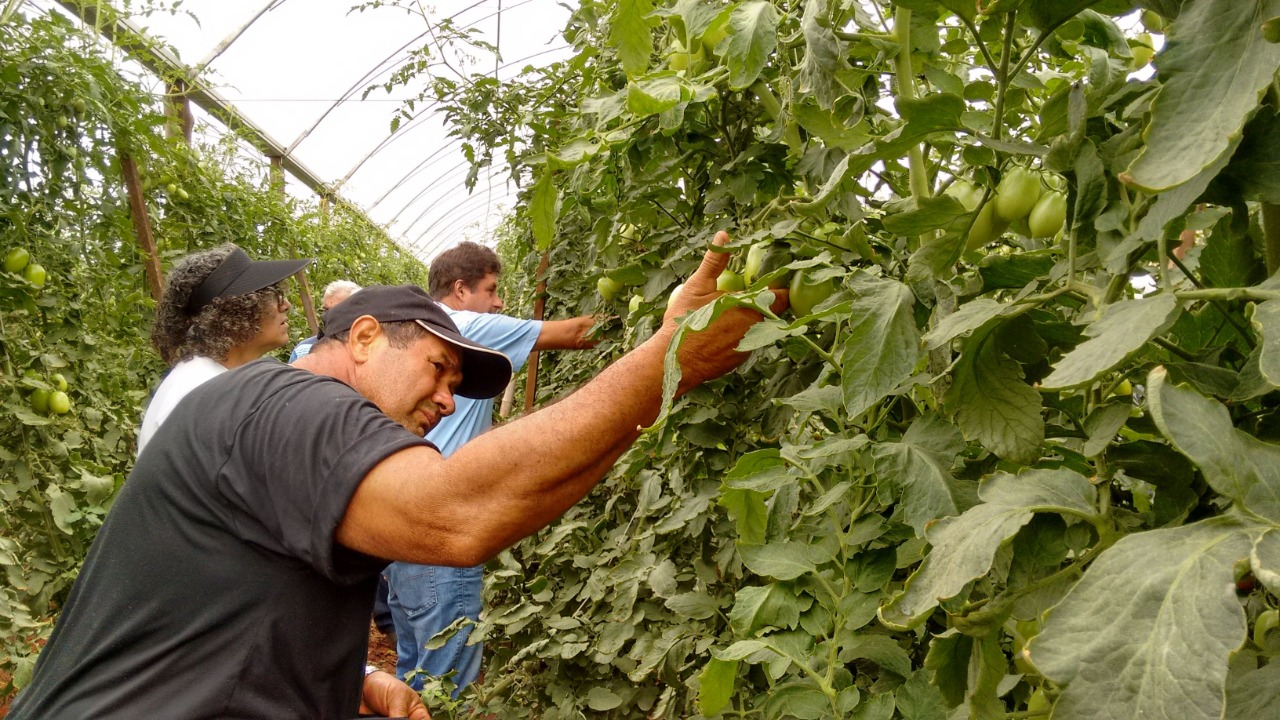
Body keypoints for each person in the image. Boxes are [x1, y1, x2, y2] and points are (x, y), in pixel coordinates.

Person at [8, 232, 785, 720]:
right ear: (364, 338)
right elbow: (459, 514)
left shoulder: (253, 415)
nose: (447, 402)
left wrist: (351, 679)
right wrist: (670, 361)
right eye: (440, 370)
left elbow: (210, 604)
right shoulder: (284, 401)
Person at [386, 241, 596, 693]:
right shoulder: (464, 326)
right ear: (461, 290)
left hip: (399, 519)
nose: (499, 302)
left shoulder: (412, 330)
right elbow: (579, 332)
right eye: (492, 289)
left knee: (415, 663)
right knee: (449, 679)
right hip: (443, 523)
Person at [137, 244, 311, 454]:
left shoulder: (215, 380)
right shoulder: (199, 394)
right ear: (230, 312)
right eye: (269, 296)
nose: (286, 305)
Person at [290, 279, 362, 362]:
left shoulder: (368, 350)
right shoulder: (303, 351)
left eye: (336, 311)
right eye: (326, 310)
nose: (328, 316)